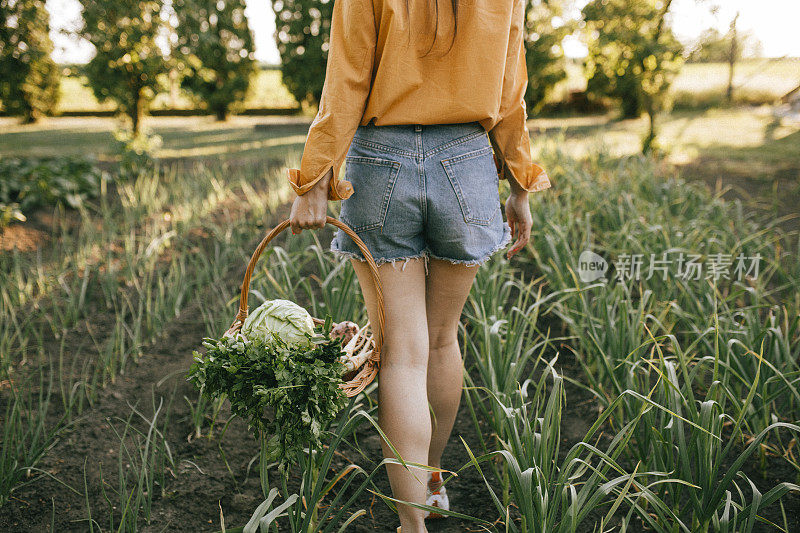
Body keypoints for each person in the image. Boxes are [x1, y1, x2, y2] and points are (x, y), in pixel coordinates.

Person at [287, 0, 550, 531]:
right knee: (440, 339)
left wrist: (315, 178)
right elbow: (508, 86)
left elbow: (347, 77)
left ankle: (413, 525)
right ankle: (431, 480)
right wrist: (520, 183)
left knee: (402, 355)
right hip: (467, 159)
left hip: (379, 161)